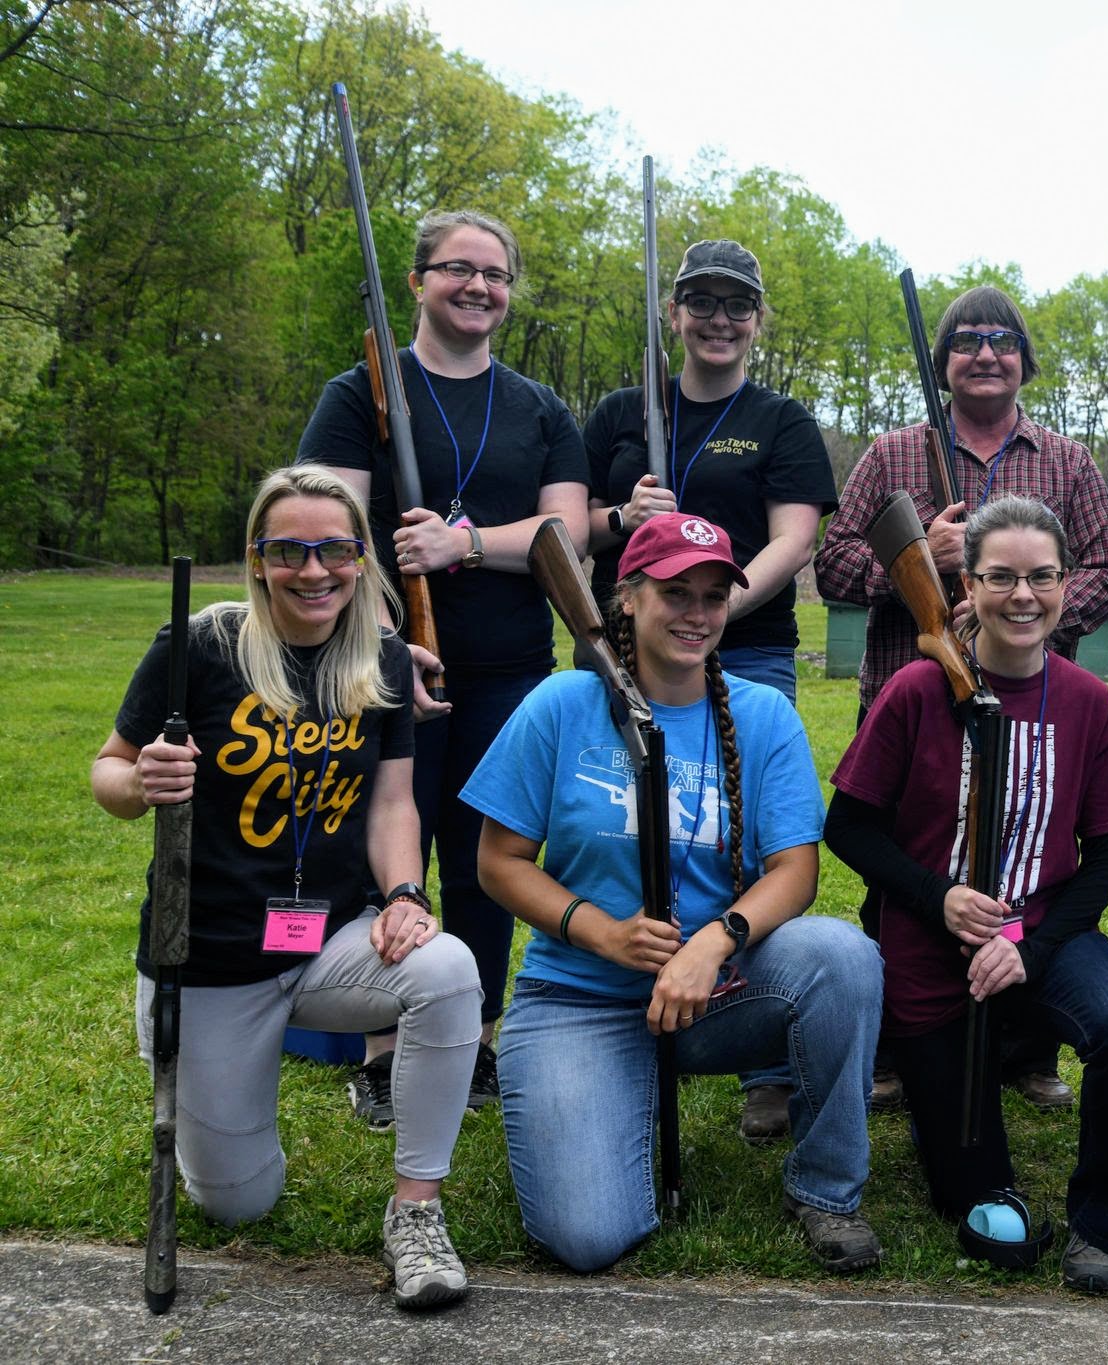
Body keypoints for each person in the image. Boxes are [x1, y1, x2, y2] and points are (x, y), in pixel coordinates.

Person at [91, 465, 483, 1310]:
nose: (314, 571)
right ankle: (215, 1096)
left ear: (360, 556)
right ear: (257, 558)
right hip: (208, 960)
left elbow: (391, 802)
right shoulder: (198, 645)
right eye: (289, 551)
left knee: (448, 969)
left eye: (335, 549)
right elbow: (108, 772)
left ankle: (417, 1211)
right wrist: (141, 781)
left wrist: (406, 893)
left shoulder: (379, 656)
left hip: (327, 941)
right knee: (239, 1202)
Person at [465, 512, 884, 1275]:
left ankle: (826, 1188)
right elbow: (498, 862)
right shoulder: (560, 704)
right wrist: (602, 931)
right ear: (628, 597)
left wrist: (713, 942)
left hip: (713, 992)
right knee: (587, 1234)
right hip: (581, 995)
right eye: (676, 592)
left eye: (713, 595)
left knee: (842, 955)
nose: (697, 612)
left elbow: (796, 870)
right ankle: (606, 1094)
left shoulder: (764, 715)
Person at [824, 496, 1108, 1294]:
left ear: (1066, 585)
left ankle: (1103, 1223)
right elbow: (849, 829)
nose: (1023, 595)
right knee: (971, 1194)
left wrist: (1030, 950)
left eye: (1042, 576)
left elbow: (1106, 860)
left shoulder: (1087, 702)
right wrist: (938, 897)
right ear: (967, 585)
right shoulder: (916, 688)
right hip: (930, 949)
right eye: (1001, 576)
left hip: (1041, 937)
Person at [297, 208, 587, 1125]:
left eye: (495, 274)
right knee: (385, 845)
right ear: (418, 280)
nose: (478, 286)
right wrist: (390, 641)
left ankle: (477, 1038)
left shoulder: (542, 408)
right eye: (459, 268)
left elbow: (566, 534)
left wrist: (461, 543)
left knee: (486, 855)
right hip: (381, 664)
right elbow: (333, 533)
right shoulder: (358, 394)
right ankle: (382, 1049)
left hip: (510, 669)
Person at [814, 284, 1108, 1118]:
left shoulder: (1066, 460)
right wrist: (916, 560)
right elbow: (832, 563)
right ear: (944, 360)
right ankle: (897, 1041)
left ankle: (1029, 1044)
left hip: (1033, 710)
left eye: (1002, 339)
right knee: (903, 871)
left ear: (1025, 359)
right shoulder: (891, 455)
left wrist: (1017, 614)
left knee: (1027, 864)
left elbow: (1107, 569)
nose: (985, 353)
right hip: (914, 704)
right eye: (966, 340)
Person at [582, 239, 838, 704]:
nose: (720, 320)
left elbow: (794, 543)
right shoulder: (618, 412)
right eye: (701, 302)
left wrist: (708, 614)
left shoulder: (784, 421)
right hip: (621, 647)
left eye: (739, 306)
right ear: (674, 313)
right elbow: (573, 533)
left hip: (747, 653)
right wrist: (624, 516)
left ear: (757, 320)